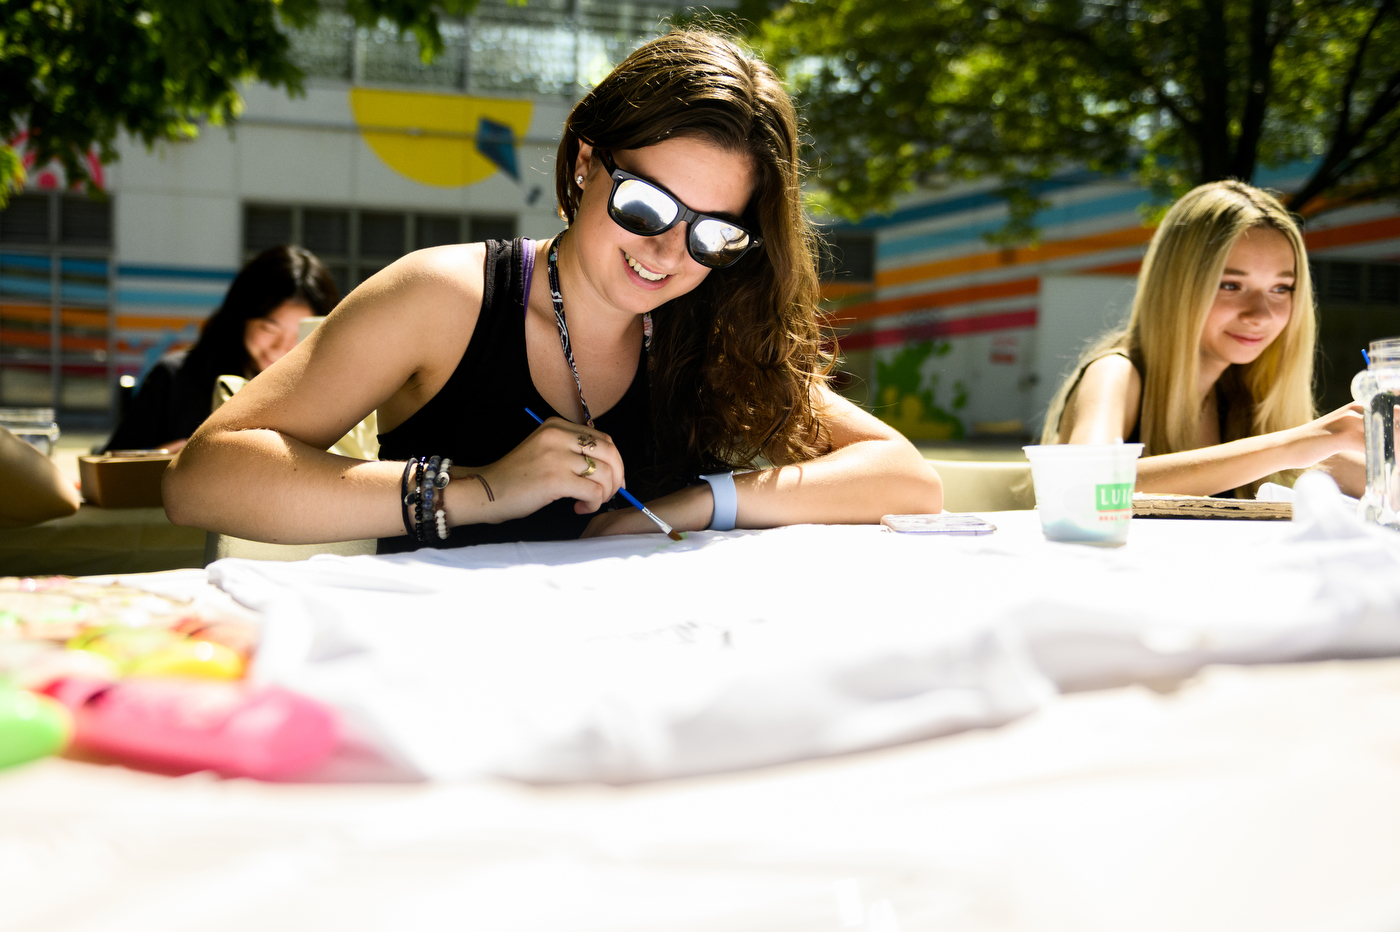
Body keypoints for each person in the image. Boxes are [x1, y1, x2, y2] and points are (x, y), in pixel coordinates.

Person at [163, 29, 943, 550]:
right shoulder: (445, 296)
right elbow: (204, 480)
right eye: (646, 205)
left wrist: (695, 505)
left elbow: (908, 478)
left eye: (713, 235)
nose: (669, 253)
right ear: (583, 164)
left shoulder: (709, 324)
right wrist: (481, 490)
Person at [1042, 180, 1364, 497]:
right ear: (1177, 287)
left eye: (1281, 289)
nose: (1260, 314)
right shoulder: (1116, 372)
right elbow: (1084, 483)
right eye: (1230, 285)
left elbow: (1372, 481)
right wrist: (1295, 444)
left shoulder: (1245, 395)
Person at [104, 246, 339, 453]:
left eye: (301, 334)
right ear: (239, 318)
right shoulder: (176, 378)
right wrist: (158, 460)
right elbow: (105, 470)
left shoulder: (331, 391)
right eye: (268, 328)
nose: (282, 348)